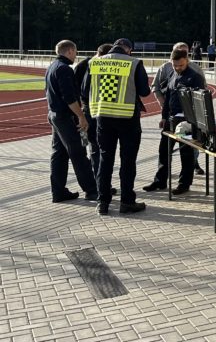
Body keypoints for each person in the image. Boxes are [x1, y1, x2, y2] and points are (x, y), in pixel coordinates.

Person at [81, 38, 152, 215]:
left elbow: (84, 91)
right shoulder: (134, 63)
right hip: (128, 118)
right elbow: (145, 91)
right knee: (127, 161)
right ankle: (127, 202)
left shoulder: (94, 62)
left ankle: (102, 203)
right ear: (129, 50)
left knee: (105, 160)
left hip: (102, 118)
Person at [145, 43, 204, 193]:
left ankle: (184, 184)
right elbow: (168, 97)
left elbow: (200, 101)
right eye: (175, 65)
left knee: (186, 153)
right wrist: (164, 117)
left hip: (187, 122)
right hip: (171, 119)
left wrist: (193, 121)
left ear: (187, 61)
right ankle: (160, 181)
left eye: (181, 65)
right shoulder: (172, 74)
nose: (177, 68)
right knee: (163, 151)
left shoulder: (195, 77)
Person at [45, 40, 98, 202]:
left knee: (59, 154)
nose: (76, 55)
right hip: (65, 117)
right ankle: (91, 190)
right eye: (75, 52)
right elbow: (69, 98)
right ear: (69, 51)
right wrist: (81, 116)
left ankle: (58, 192)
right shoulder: (65, 69)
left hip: (55, 115)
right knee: (78, 153)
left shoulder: (51, 67)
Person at [74, 43, 114, 191]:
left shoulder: (86, 64)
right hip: (90, 114)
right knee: (95, 148)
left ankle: (99, 183)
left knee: (95, 149)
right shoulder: (87, 65)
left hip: (89, 113)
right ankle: (99, 185)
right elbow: (80, 91)